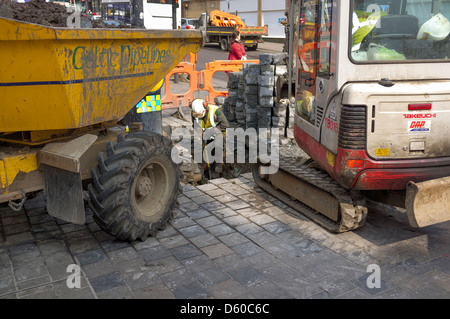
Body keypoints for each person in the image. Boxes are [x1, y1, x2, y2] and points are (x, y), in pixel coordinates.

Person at [191, 99, 229, 178]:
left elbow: (225, 125)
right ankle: (210, 168)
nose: (198, 116)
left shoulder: (215, 111)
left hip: (220, 132)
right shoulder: (195, 113)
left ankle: (219, 164)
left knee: (218, 145)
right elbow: (195, 126)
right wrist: (200, 133)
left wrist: (211, 131)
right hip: (206, 135)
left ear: (205, 108)